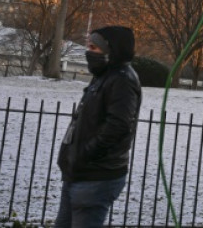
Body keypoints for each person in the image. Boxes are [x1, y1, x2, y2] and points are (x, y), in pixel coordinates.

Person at [56, 26, 142, 228]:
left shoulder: (122, 80)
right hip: (78, 172)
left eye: (94, 48)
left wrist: (86, 153)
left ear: (110, 50)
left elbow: (118, 125)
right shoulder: (105, 75)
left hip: (96, 176)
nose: (88, 53)